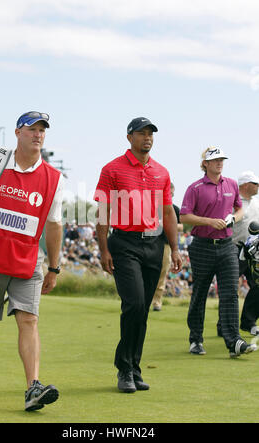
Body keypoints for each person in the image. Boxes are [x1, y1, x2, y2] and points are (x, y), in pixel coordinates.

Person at [0, 111, 63, 411]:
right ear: (18, 132)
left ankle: (33, 387)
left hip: (28, 261)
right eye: (32, 129)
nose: (38, 135)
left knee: (29, 320)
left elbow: (54, 225)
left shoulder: (53, 179)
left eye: (42, 130)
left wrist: (54, 266)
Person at [94, 117, 182, 393]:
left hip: (154, 245)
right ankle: (124, 368)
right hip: (124, 244)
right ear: (129, 137)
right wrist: (103, 248)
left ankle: (134, 366)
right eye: (142, 133)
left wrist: (175, 247)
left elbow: (168, 213)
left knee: (142, 310)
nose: (147, 138)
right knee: (133, 304)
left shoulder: (162, 172)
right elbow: (102, 211)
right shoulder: (112, 169)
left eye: (150, 134)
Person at [180, 147, 256, 357]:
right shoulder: (194, 188)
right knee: (200, 293)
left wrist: (234, 218)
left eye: (221, 159)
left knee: (230, 293)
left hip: (227, 246)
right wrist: (209, 221)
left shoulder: (231, 184)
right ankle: (195, 339)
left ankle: (234, 342)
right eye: (214, 160)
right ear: (205, 163)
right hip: (202, 245)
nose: (219, 163)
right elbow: (184, 217)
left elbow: (239, 208)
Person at [232, 171, 259, 335]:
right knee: (229, 289)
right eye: (255, 184)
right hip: (234, 249)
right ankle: (225, 326)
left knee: (258, 286)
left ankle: (248, 322)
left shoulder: (256, 202)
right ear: (245, 185)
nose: (258, 187)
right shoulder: (233, 202)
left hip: (254, 251)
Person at [152, 182, 183, 311]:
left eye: (172, 194)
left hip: (165, 245)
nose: (170, 196)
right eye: (168, 193)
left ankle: (157, 301)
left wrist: (168, 224)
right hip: (150, 243)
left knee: (162, 273)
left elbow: (181, 226)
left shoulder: (174, 209)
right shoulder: (152, 207)